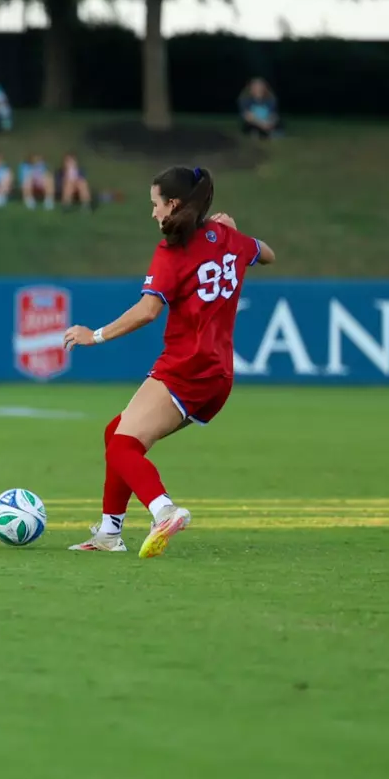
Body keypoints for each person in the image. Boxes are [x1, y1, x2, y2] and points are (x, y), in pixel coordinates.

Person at [61, 166, 276, 558]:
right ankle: (109, 533)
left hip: (185, 367)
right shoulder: (229, 237)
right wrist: (229, 231)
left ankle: (164, 511)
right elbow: (268, 254)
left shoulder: (173, 252)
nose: (154, 213)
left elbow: (147, 311)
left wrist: (94, 335)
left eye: (156, 204)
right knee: (117, 435)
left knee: (124, 444)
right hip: (218, 377)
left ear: (174, 204)